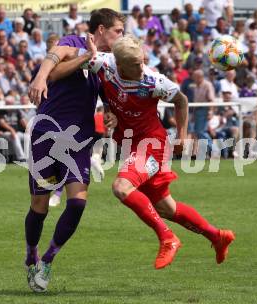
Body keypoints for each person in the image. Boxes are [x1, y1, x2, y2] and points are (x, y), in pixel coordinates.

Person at [66, 35, 235, 269]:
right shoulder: (103, 64)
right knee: (166, 207)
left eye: (142, 60)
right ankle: (217, 236)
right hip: (130, 146)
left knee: (121, 188)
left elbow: (182, 100)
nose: (141, 66)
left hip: (152, 144)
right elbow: (68, 58)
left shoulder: (153, 81)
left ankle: (168, 238)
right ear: (120, 64)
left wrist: (183, 135)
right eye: (135, 64)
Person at [25, 8, 125, 292]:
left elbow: (109, 97)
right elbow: (53, 67)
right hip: (47, 132)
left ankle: (47, 260)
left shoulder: (108, 63)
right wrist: (81, 59)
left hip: (78, 138)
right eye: (118, 31)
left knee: (78, 202)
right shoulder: (74, 42)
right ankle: (31, 252)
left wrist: (111, 113)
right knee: (39, 207)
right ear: (101, 29)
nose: (121, 36)